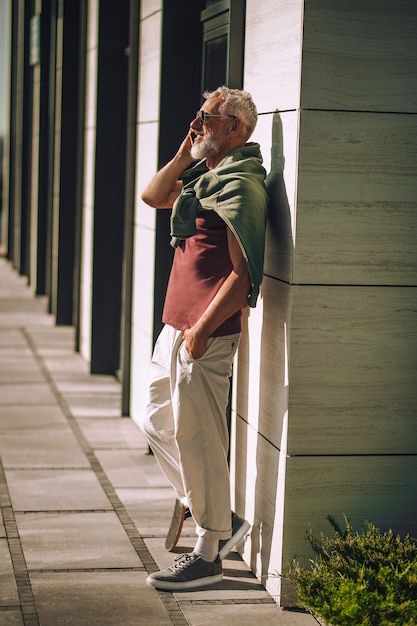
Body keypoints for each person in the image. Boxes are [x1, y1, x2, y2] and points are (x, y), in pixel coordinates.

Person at [140, 86, 269, 591]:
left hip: (205, 333)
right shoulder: (202, 178)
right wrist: (182, 150)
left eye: (207, 117)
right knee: (156, 423)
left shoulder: (241, 185)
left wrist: (200, 332)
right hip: (175, 324)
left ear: (234, 128)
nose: (197, 122)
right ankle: (222, 519)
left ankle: (209, 550)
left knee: (197, 436)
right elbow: (152, 196)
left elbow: (243, 275)